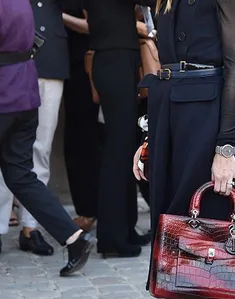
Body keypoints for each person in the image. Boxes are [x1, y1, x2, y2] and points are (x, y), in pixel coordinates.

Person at [133, 0, 235, 295]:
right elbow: (167, 69)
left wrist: (225, 149)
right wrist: (151, 136)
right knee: (177, 252)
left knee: (211, 250)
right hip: (170, 119)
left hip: (208, 122)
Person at [0, 0, 96, 276]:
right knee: (21, 175)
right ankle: (74, 239)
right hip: (25, 97)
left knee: (21, 174)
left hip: (4, 96)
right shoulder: (22, 4)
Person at [83, 0, 155, 258]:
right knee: (117, 150)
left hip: (118, 58)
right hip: (114, 58)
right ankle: (112, 238)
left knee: (124, 148)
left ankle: (124, 230)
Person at [61, 1, 101, 232]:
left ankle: (90, 211)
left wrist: (58, 17)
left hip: (87, 66)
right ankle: (88, 209)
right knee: (79, 138)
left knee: (84, 139)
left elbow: (92, 25)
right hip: (72, 66)